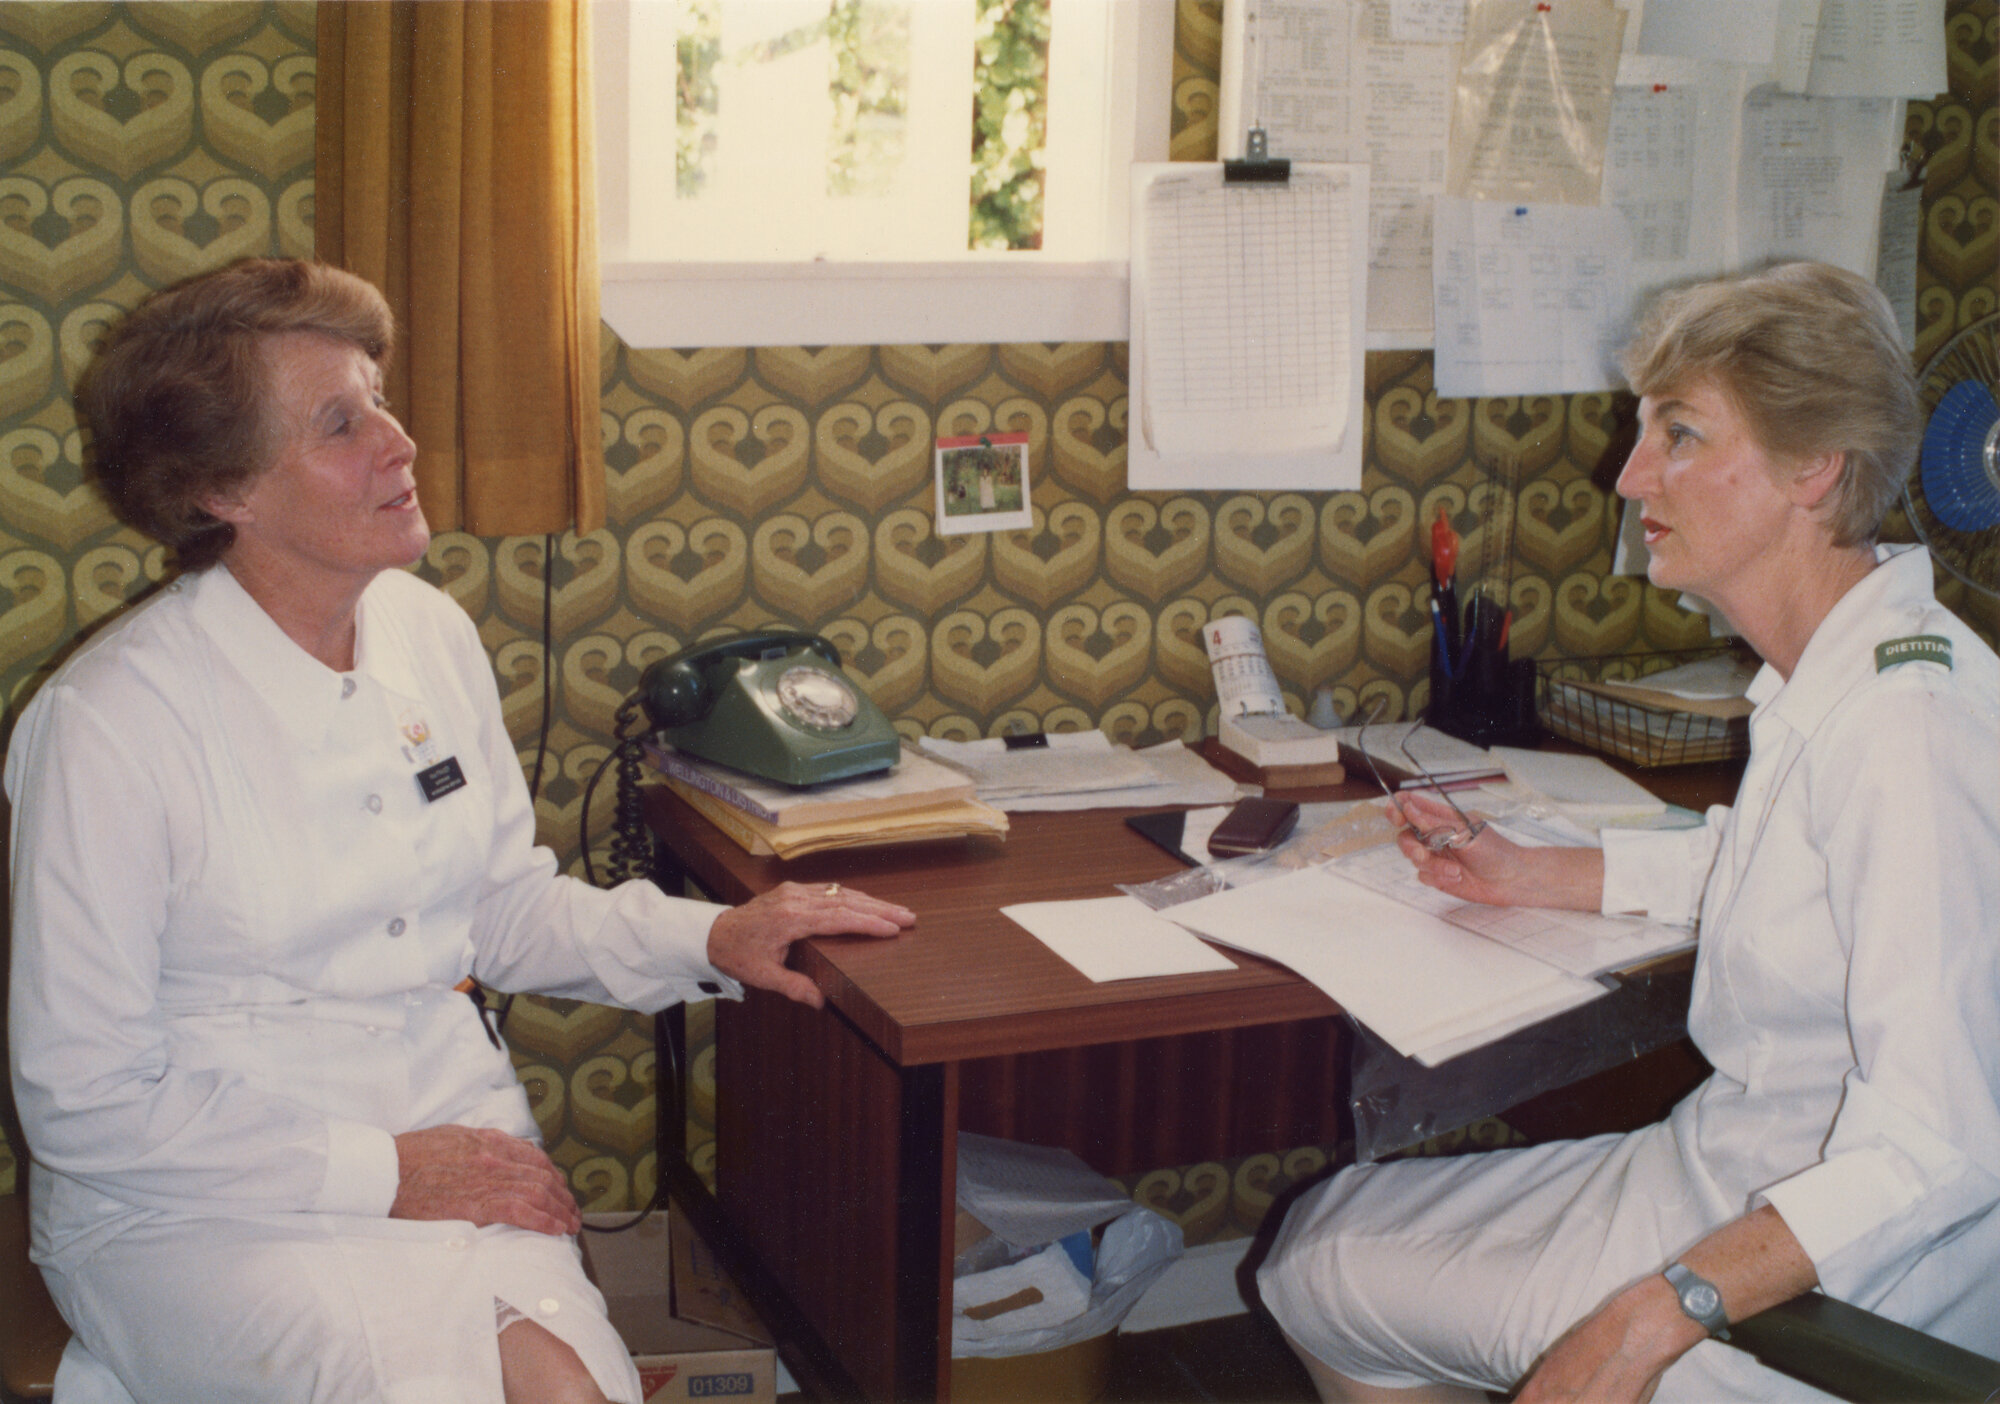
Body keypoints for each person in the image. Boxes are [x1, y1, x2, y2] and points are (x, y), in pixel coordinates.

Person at [5, 258, 916, 1404]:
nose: (399, 442)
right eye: (341, 422)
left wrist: (712, 940)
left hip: (447, 1128)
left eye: (379, 396)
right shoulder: (108, 727)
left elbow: (498, 909)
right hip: (195, 1202)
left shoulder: (424, 632)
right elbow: (84, 1101)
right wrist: (389, 1173)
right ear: (221, 491)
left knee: (570, 1394)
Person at [1258, 261, 2000, 1403]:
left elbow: (1938, 1145)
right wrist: (1535, 871)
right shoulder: (1849, 675)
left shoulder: (1904, 731)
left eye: (1681, 436)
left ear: (1814, 467)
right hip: (1726, 1169)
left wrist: (1655, 1315)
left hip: (1827, 1274)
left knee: (1320, 1270)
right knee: (1326, 1236)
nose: (1627, 474)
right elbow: (1787, 874)